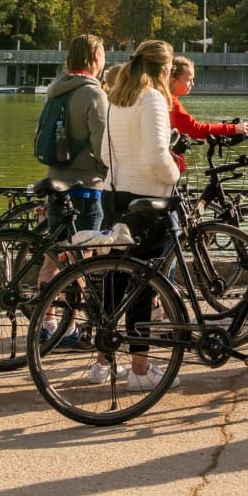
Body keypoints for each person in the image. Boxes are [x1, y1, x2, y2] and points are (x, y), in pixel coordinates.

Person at [99, 40, 183, 392]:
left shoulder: (117, 98)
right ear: (163, 70)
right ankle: (140, 366)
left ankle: (103, 362)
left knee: (114, 280)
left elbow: (104, 151)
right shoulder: (152, 99)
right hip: (146, 199)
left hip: (113, 194)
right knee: (143, 283)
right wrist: (175, 175)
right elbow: (155, 156)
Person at [41, 36, 109, 239]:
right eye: (104, 54)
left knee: (55, 257)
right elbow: (102, 146)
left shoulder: (55, 90)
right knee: (82, 258)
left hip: (55, 180)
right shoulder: (94, 94)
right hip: (84, 187)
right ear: (97, 55)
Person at [167, 54, 248, 173]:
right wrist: (234, 128)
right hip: (167, 168)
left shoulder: (169, 98)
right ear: (173, 80)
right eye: (189, 80)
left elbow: (187, 129)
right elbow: (195, 128)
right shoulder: (170, 102)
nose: (193, 84)